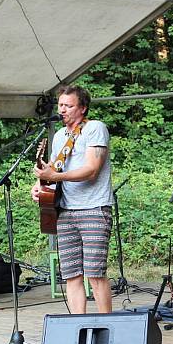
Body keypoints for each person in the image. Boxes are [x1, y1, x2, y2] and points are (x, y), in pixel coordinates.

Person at [32, 84, 114, 314]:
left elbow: (91, 169)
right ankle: (77, 324)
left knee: (95, 273)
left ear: (83, 108)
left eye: (69, 106)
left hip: (94, 208)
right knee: (71, 275)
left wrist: (55, 175)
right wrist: (39, 186)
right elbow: (53, 170)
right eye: (60, 105)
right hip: (65, 212)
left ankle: (106, 324)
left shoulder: (95, 128)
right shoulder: (59, 136)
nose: (63, 110)